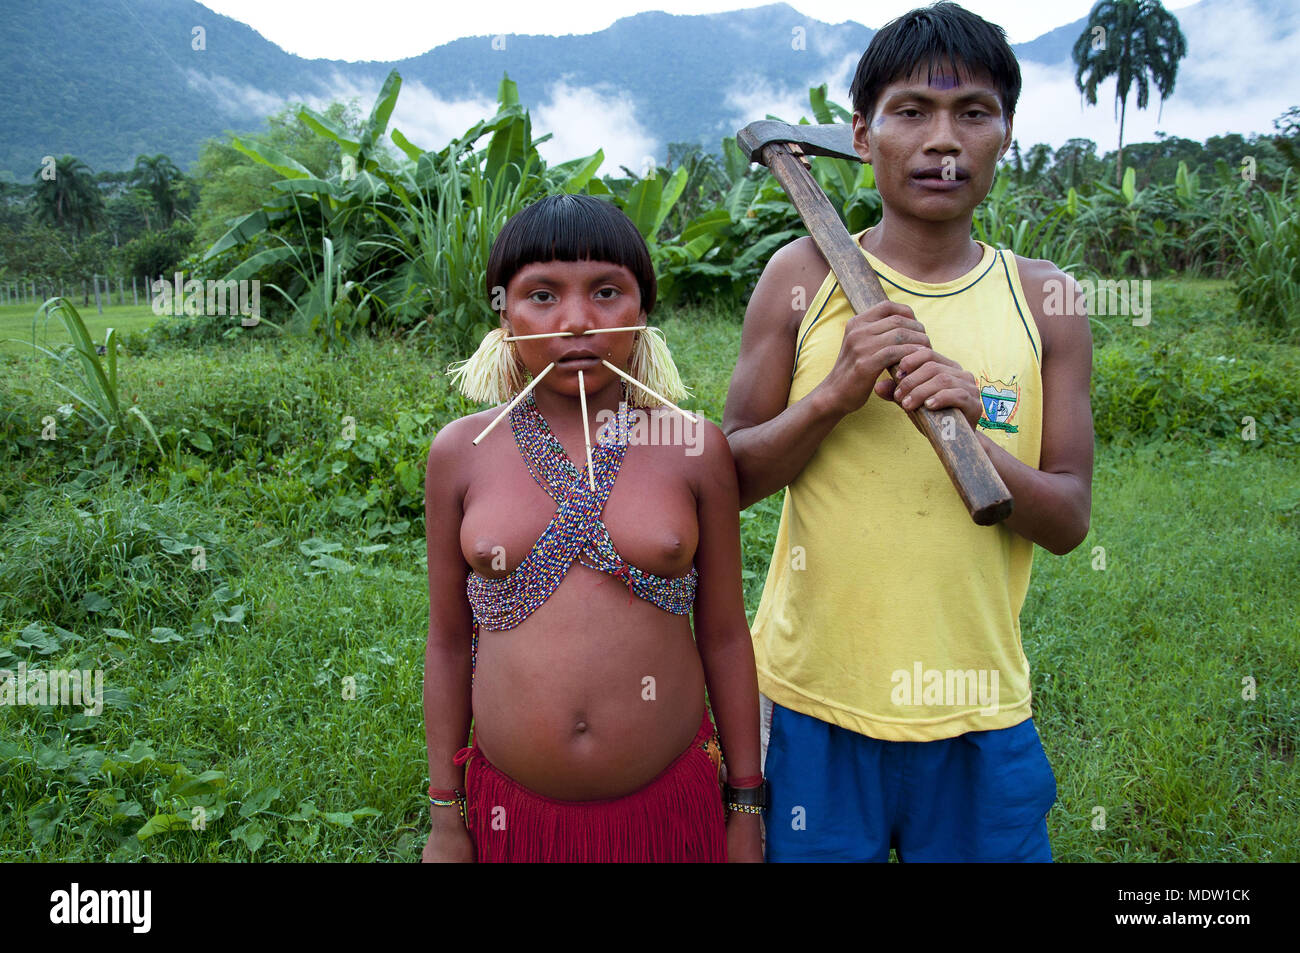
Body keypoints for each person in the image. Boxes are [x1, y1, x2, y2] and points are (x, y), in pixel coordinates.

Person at [724, 1, 1094, 862]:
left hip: (979, 706)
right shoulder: (800, 275)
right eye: (911, 112)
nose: (942, 141)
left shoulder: (1049, 299)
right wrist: (834, 395)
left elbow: (1070, 518)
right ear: (862, 133)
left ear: (1006, 134)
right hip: (812, 700)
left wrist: (972, 437)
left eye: (973, 112)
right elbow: (729, 476)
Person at [421, 194, 764, 863]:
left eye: (607, 291)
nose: (577, 320)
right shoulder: (461, 452)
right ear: (504, 314)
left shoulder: (694, 447)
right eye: (541, 295)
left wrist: (746, 804)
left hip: (670, 808)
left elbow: (725, 635)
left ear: (643, 312)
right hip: (511, 816)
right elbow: (447, 642)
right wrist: (445, 812)